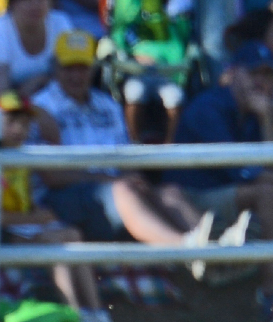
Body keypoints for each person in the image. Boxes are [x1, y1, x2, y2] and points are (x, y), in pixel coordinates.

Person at [34, 30, 216, 267]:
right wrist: (109, 181)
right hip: (63, 198)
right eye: (69, 67)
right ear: (55, 68)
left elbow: (126, 156)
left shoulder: (108, 104)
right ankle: (187, 250)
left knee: (169, 192)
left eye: (82, 67)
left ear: (93, 67)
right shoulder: (41, 107)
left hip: (110, 191)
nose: (76, 75)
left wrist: (134, 176)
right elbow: (51, 176)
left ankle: (218, 249)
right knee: (123, 190)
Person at [174, 39, 273, 301]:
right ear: (231, 74)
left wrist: (265, 121)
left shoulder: (255, 111)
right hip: (191, 198)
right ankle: (272, 289)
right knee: (268, 192)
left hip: (225, 194)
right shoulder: (209, 106)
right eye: (253, 72)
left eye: (268, 74)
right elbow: (243, 172)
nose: (260, 81)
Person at [0, 89, 119, 322]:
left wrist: (37, 215)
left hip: (24, 227)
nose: (20, 129)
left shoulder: (22, 155)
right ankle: (76, 315)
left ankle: (96, 314)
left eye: (25, 123)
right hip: (3, 235)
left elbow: (24, 203)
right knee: (59, 242)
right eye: (12, 121)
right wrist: (35, 219)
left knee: (72, 234)